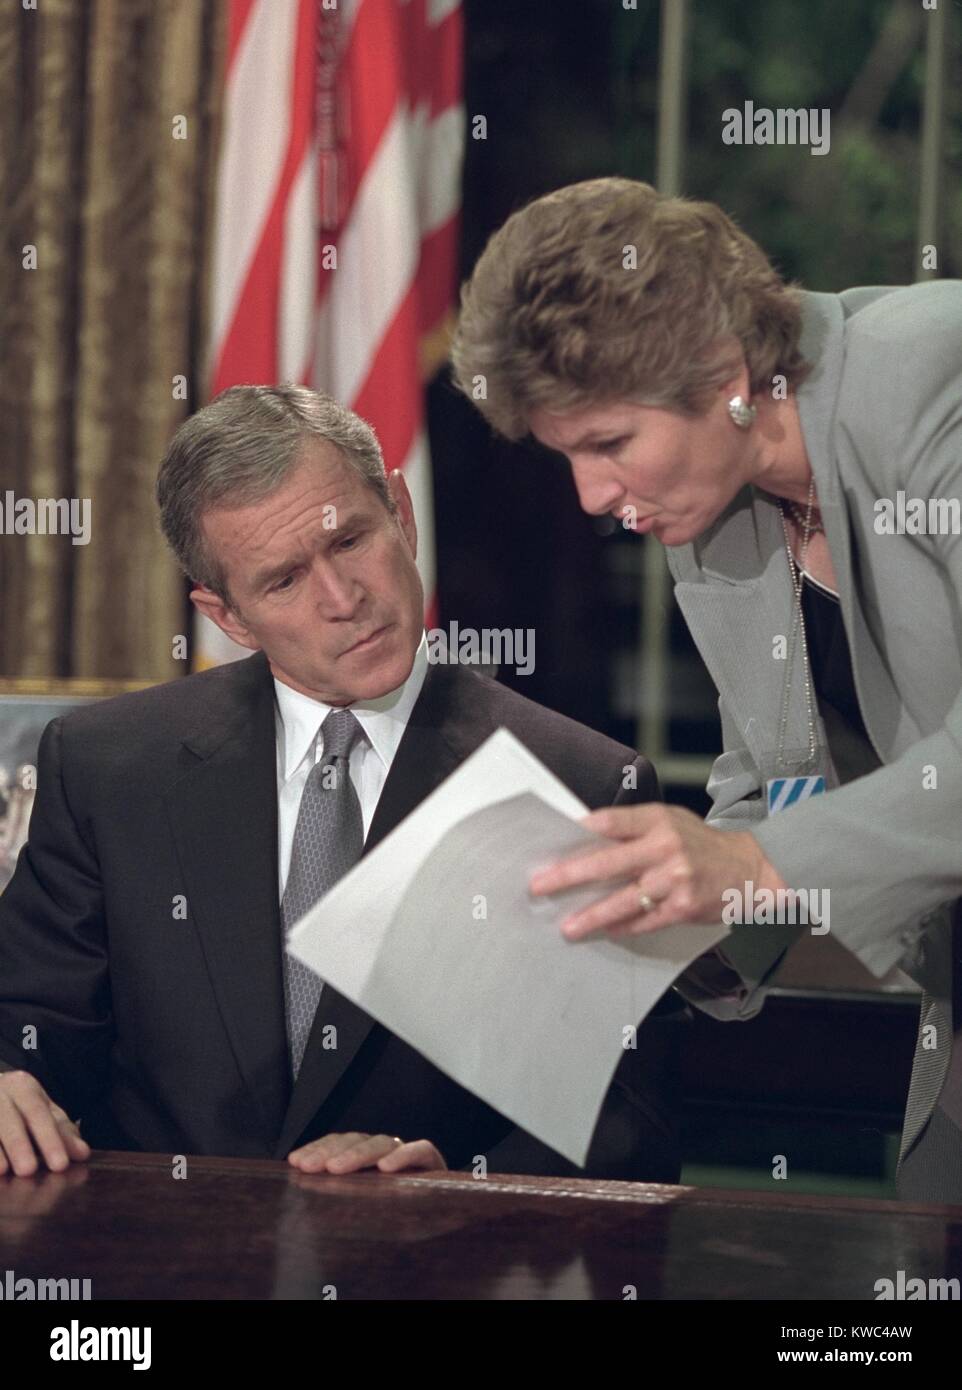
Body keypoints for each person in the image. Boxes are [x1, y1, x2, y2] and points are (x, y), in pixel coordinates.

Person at [0, 383, 685, 1183]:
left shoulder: (581, 786)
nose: (343, 599)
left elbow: (628, 1122)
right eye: (284, 581)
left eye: (351, 540)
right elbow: (35, 1025)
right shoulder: (105, 767)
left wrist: (460, 1179)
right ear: (227, 617)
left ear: (401, 509)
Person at [450, 175, 962, 1202]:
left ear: (727, 375)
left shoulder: (929, 373)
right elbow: (779, 787)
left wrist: (746, 860)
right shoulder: (717, 503)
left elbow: (767, 845)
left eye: (607, 444)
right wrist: (652, 931)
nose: (593, 496)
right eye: (568, 454)